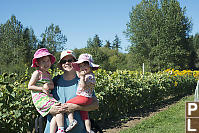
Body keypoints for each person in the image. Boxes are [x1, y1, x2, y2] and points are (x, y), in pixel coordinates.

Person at [44, 50, 99, 133]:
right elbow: (39, 100)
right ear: (61, 64)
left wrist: (76, 107)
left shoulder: (83, 81)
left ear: (75, 63)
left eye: (70, 60)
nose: (67, 63)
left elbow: (95, 105)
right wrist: (50, 109)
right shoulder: (54, 81)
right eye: (64, 61)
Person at [28, 48, 65, 133]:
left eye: (48, 61)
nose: (46, 63)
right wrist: (42, 88)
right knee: (59, 109)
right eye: (43, 61)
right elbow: (30, 86)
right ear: (37, 63)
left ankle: (55, 130)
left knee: (56, 114)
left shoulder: (48, 74)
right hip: (40, 98)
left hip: (47, 97)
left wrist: (48, 85)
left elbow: (52, 85)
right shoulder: (37, 73)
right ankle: (61, 129)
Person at [65, 53, 99, 133]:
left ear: (90, 66)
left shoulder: (87, 77)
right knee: (85, 116)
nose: (82, 68)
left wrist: (82, 77)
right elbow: (78, 73)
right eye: (80, 66)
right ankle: (89, 130)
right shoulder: (90, 75)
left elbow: (83, 86)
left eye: (85, 65)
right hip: (87, 98)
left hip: (83, 97)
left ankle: (72, 121)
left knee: (68, 104)